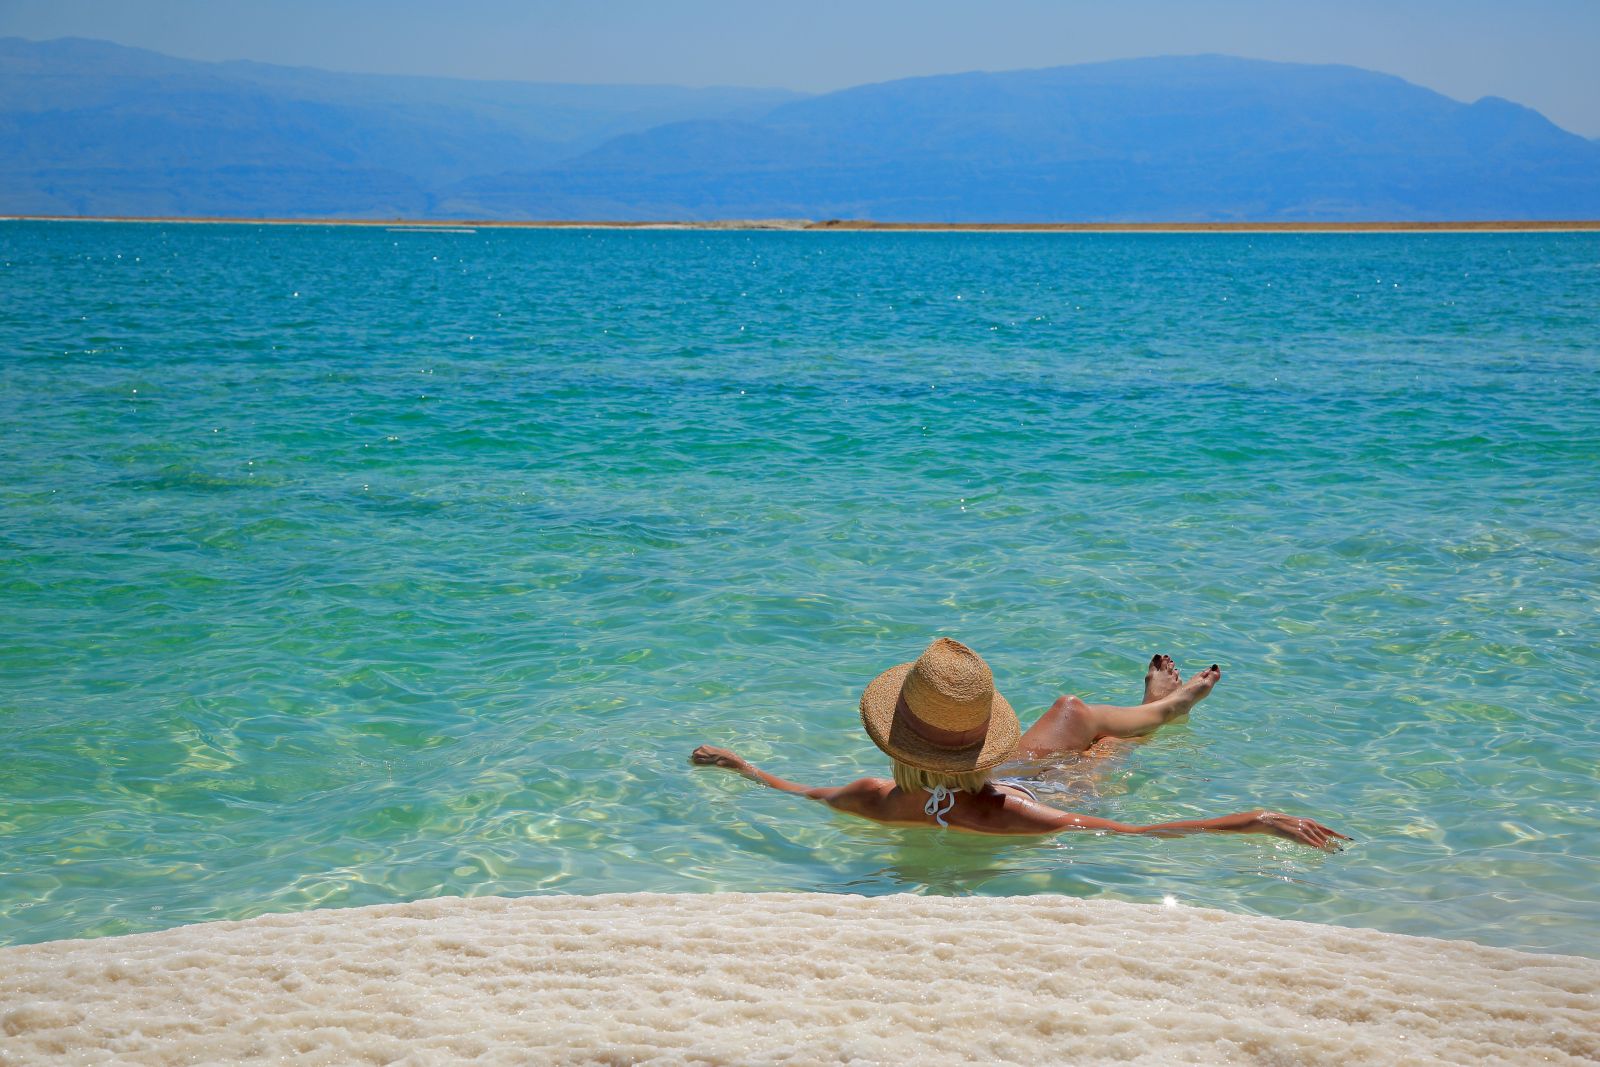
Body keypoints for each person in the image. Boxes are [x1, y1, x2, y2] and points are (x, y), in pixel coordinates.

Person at [691, 637, 1348, 849]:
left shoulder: (874, 796)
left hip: (1003, 770)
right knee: (1101, 745)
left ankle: (1159, 708)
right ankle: (1162, 708)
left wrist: (741, 765)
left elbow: (803, 791)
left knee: (1070, 708)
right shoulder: (1011, 815)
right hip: (1033, 783)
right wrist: (1253, 819)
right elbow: (1135, 831)